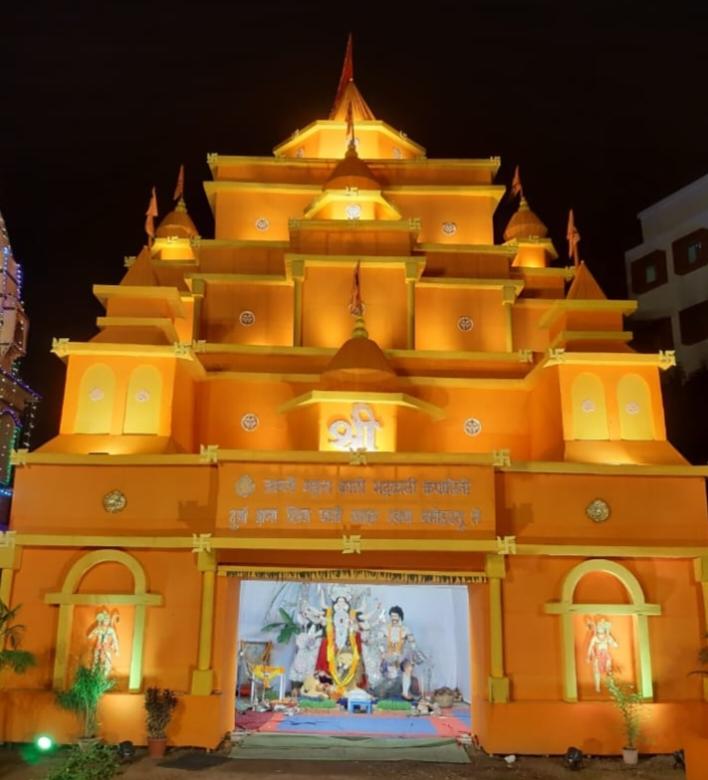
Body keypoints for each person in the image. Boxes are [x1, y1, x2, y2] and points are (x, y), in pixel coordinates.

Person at [587, 617, 619, 692]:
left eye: (602, 631)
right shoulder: (595, 638)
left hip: (606, 656)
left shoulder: (607, 637)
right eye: (599, 631)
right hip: (597, 657)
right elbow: (590, 647)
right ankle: (597, 687)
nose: (601, 634)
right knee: (596, 671)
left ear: (605, 630)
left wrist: (613, 641)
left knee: (609, 670)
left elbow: (615, 645)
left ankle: (611, 686)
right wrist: (588, 656)